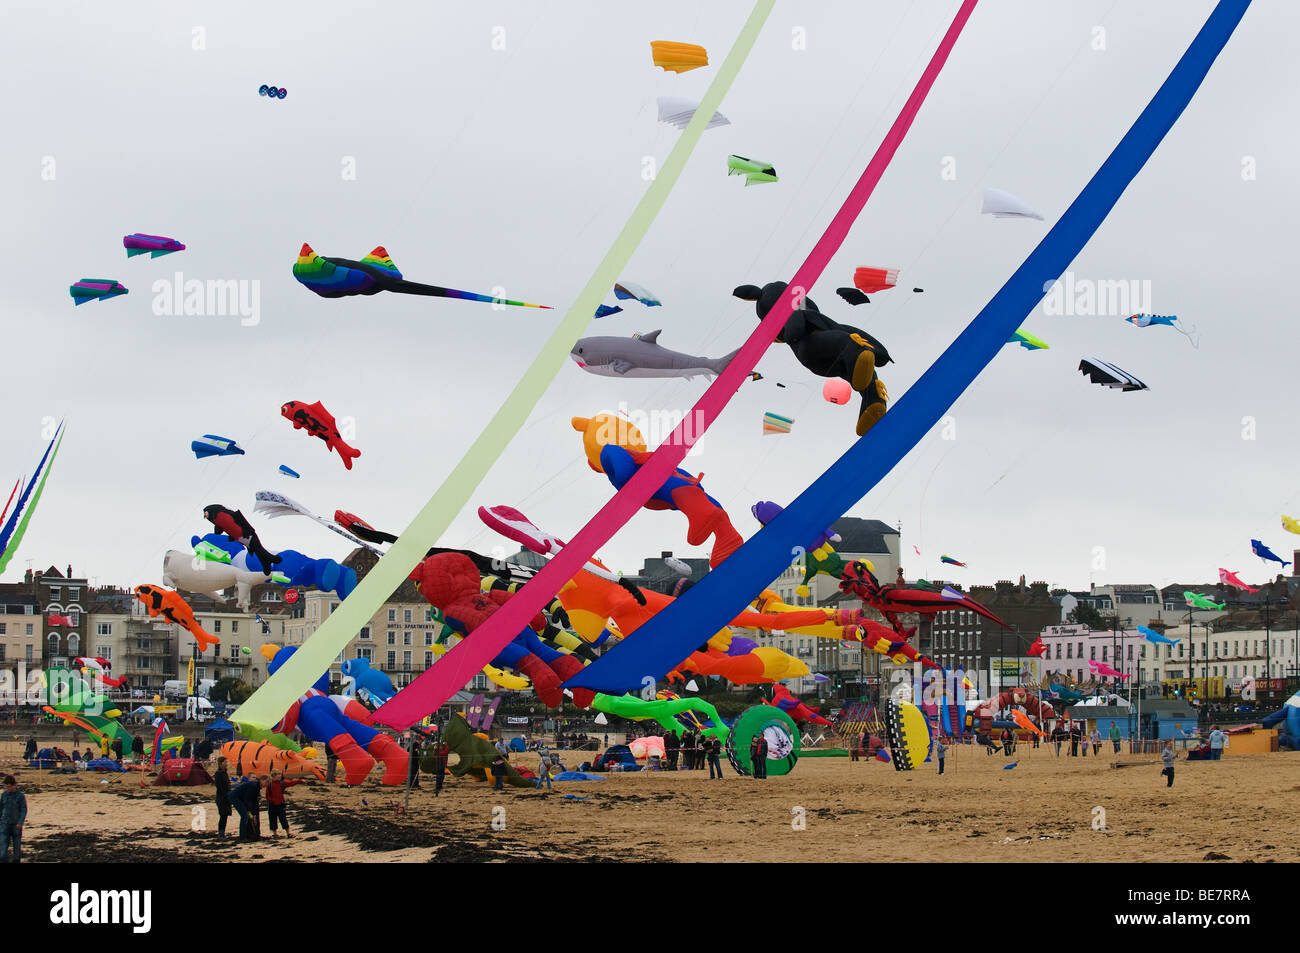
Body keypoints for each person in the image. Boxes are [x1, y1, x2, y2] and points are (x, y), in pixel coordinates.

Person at [265, 770, 301, 837]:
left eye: (280, 774)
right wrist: (271, 801)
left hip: (280, 803)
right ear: (274, 776)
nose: (280, 776)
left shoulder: (282, 783)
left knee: (283, 818)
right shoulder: (269, 784)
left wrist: (300, 781)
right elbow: (267, 795)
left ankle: (288, 833)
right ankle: (275, 833)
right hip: (272, 804)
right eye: (278, 774)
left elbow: (291, 783)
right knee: (272, 819)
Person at [229, 775, 266, 841]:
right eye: (266, 782)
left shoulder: (257, 786)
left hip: (240, 798)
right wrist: (249, 811)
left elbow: (254, 801)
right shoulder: (253, 786)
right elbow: (247, 799)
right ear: (262, 780)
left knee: (247, 816)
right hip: (235, 797)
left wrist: (254, 813)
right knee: (245, 816)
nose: (267, 784)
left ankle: (249, 835)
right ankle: (242, 837)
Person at [0, 776, 27, 863]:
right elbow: (1, 808)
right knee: (3, 846)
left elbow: (24, 809)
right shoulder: (3, 795)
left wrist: (20, 822)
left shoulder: (20, 796)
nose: (7, 788)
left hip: (16, 825)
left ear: (14, 785)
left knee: (16, 847)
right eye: (6, 786)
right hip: (5, 823)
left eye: (9, 786)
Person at [213, 757, 232, 837]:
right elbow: (219, 786)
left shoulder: (225, 773)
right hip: (221, 797)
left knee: (225, 815)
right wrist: (225, 795)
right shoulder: (218, 773)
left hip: (226, 796)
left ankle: (222, 832)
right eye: (225, 762)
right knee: (223, 815)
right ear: (221, 763)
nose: (226, 763)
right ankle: (221, 833)